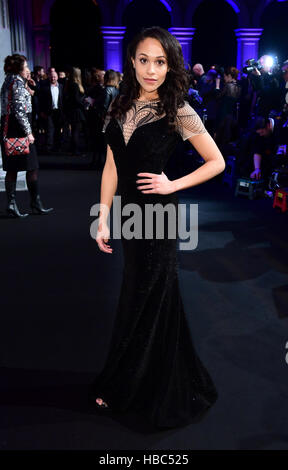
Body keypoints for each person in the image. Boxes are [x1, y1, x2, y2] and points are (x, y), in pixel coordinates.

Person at [88, 26, 225, 429]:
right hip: (131, 214)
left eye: (160, 62)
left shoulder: (178, 109)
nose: (151, 69)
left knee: (150, 298)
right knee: (136, 295)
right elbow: (112, 165)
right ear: (131, 62)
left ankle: (134, 386)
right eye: (144, 60)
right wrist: (102, 216)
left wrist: (172, 183)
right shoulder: (117, 105)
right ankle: (134, 378)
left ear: (170, 65)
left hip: (160, 216)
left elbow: (215, 161)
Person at [0, 54, 53, 217]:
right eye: (26, 67)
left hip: (10, 130)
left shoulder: (10, 81)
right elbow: (19, 111)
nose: (29, 70)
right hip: (19, 130)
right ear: (19, 69)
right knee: (32, 166)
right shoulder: (16, 83)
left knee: (12, 168)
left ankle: (13, 204)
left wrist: (28, 87)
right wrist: (28, 133)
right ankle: (34, 203)